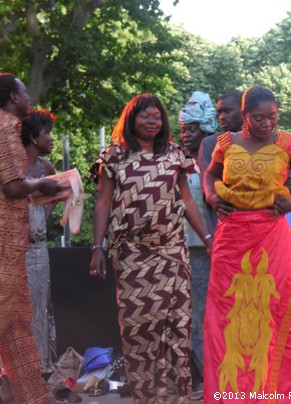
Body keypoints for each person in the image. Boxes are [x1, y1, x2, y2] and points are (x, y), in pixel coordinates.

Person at [89, 93, 212, 403]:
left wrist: (208, 238)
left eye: (157, 117)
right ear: (131, 119)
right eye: (145, 116)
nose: (151, 122)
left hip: (171, 253)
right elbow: (103, 203)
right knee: (139, 331)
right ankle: (147, 397)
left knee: (176, 329)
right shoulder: (114, 156)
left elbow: (186, 201)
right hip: (132, 256)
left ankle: (175, 397)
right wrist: (97, 246)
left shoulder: (175, 154)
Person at [203, 86, 291, 401]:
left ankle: (278, 394)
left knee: (275, 309)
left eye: (273, 117)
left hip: (272, 234)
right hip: (231, 238)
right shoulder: (226, 144)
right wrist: (212, 195)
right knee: (227, 315)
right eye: (259, 118)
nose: (267, 124)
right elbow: (210, 176)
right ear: (244, 116)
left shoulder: (288, 143)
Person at [0, 72, 64, 403]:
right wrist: (40, 185)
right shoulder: (6, 129)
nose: (29, 99)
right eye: (25, 92)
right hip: (5, 248)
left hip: (17, 247)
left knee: (17, 328)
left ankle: (35, 396)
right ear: (13, 97)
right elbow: (12, 187)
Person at [178, 91, 218, 397]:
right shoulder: (177, 160)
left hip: (208, 249)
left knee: (204, 315)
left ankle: (211, 381)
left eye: (191, 129)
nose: (185, 135)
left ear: (205, 129)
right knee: (187, 317)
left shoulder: (214, 155)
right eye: (182, 130)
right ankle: (196, 378)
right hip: (179, 250)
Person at [21, 109, 58, 373]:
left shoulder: (46, 167)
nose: (52, 139)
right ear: (34, 137)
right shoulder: (13, 165)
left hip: (39, 247)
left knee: (39, 305)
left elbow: (54, 197)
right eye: (48, 133)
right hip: (14, 248)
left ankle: (39, 368)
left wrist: (44, 216)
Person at [198, 90, 243, 234]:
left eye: (227, 111)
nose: (222, 117)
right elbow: (208, 185)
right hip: (224, 226)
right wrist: (212, 196)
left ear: (244, 110)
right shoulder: (211, 143)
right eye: (220, 113)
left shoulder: (264, 142)